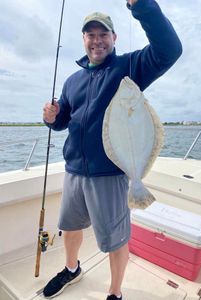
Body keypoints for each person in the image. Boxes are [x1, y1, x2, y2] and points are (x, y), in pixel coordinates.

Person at [42, 0, 182, 299]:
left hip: (110, 174)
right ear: (84, 40)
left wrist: (141, 6)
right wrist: (51, 119)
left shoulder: (129, 67)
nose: (97, 40)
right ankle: (71, 269)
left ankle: (115, 292)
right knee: (69, 227)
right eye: (91, 35)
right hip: (74, 171)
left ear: (114, 38)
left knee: (115, 240)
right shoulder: (72, 80)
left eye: (103, 34)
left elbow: (169, 50)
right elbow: (64, 120)